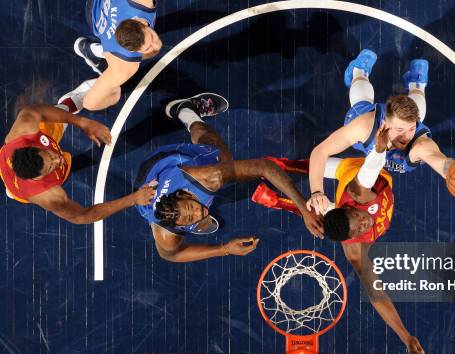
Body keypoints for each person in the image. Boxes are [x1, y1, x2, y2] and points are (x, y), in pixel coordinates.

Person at [251, 126, 425, 354]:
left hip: (353, 171)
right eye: (360, 228)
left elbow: (370, 168)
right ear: (351, 239)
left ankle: (280, 171)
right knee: (319, 216)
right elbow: (377, 294)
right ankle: (276, 194)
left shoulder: (359, 194)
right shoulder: (354, 248)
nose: (365, 223)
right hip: (341, 203)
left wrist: (379, 149)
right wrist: (406, 336)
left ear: (351, 208)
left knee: (318, 176)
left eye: (359, 218)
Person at [134, 92, 323, 263]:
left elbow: (264, 167)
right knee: (188, 224)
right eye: (191, 218)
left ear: (183, 195)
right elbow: (169, 254)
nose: (199, 213)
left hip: (162, 163)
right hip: (147, 194)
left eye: (193, 208)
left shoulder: (209, 177)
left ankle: (186, 111)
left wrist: (303, 208)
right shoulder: (167, 232)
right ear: (176, 226)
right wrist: (224, 249)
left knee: (221, 155)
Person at [307, 49, 455, 215]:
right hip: (369, 133)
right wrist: (317, 192)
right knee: (360, 102)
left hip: (385, 149)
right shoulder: (364, 125)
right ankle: (359, 71)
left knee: (419, 113)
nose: (407, 136)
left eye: (411, 128)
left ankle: (417, 83)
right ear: (385, 122)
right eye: (400, 129)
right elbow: (320, 151)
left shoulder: (420, 145)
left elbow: (441, 164)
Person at [0, 81, 155, 223]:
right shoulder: (49, 195)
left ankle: (73, 100)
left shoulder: (23, 130)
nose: (58, 160)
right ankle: (12, 190)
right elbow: (83, 216)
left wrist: (83, 122)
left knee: (60, 113)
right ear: (38, 177)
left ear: (34, 147)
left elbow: (37, 110)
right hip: (23, 187)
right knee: (15, 192)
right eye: (50, 167)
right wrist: (133, 199)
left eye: (50, 156)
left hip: (16, 158)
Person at [72, 0, 162, 111]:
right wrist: (114, 96)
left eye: (152, 37)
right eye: (148, 48)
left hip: (97, 12)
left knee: (114, 62)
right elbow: (88, 103)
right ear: (134, 52)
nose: (156, 44)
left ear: (141, 23)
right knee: (115, 89)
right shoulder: (125, 68)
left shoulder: (142, 2)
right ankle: (94, 51)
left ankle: (95, 50)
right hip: (94, 17)